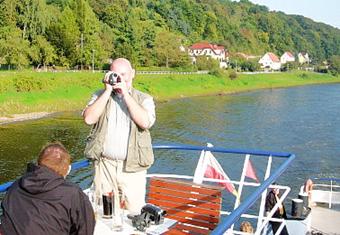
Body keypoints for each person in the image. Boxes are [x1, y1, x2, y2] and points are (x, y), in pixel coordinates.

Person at [83, 58, 156, 214]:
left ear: (133, 74)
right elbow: (89, 119)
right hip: (104, 166)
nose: (119, 79)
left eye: (123, 74)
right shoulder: (100, 95)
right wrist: (107, 91)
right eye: (115, 74)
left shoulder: (144, 99)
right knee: (103, 212)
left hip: (133, 168)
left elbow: (145, 122)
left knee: (134, 212)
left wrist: (126, 94)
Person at [0, 142, 95, 235]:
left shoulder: (15, 186)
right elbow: (86, 229)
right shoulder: (72, 194)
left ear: (38, 163)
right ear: (66, 170)